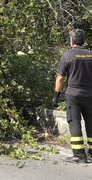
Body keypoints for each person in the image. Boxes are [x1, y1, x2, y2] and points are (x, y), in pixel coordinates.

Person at [53, 28, 92, 163]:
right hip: (90, 95)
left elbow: (60, 78)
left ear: (72, 41)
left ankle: (79, 155)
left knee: (74, 123)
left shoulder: (67, 56)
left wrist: (56, 96)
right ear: (84, 41)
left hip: (73, 95)